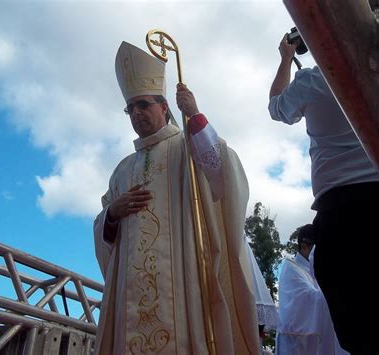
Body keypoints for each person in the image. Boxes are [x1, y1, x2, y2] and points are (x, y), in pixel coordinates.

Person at [93, 41, 259, 354]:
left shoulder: (186, 146)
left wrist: (194, 115)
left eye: (144, 105)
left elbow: (222, 172)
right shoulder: (121, 170)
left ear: (165, 107)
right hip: (131, 292)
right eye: (131, 108)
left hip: (183, 283)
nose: (137, 113)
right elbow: (104, 233)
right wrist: (111, 214)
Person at [268, 32, 379, 354]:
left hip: (342, 215)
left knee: (364, 336)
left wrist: (286, 58)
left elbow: (276, 107)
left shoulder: (310, 82)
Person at [275, 224, 347, 355]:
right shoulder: (291, 269)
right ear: (304, 246)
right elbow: (308, 302)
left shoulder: (314, 270)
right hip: (295, 345)